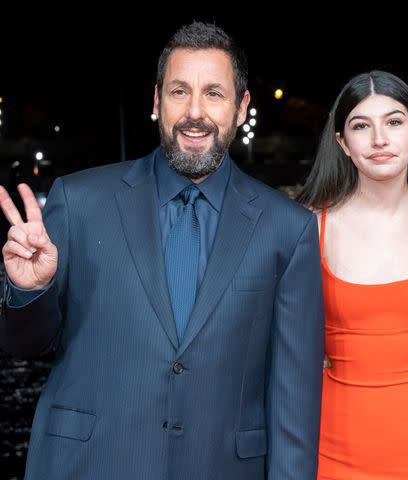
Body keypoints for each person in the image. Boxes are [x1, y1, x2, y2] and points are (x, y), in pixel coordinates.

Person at [0, 21, 324, 480]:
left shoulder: (288, 229)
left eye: (214, 93)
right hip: (90, 467)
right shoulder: (79, 202)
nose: (195, 112)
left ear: (241, 107)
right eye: (179, 91)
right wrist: (28, 289)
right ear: (156, 102)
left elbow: (295, 400)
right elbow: (22, 344)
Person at [297, 70, 408, 480]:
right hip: (330, 441)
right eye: (361, 125)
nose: (379, 139)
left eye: (394, 122)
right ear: (342, 142)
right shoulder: (310, 226)